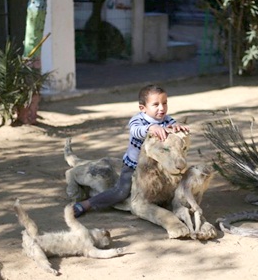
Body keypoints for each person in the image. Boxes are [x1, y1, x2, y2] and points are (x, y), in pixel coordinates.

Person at [73, 84, 189, 217]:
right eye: (156, 104)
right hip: (134, 166)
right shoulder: (138, 120)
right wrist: (150, 128)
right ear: (143, 108)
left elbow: (173, 130)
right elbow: (136, 131)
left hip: (158, 169)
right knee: (121, 191)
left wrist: (177, 127)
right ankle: (87, 204)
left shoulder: (167, 120)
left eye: (164, 103)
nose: (162, 108)